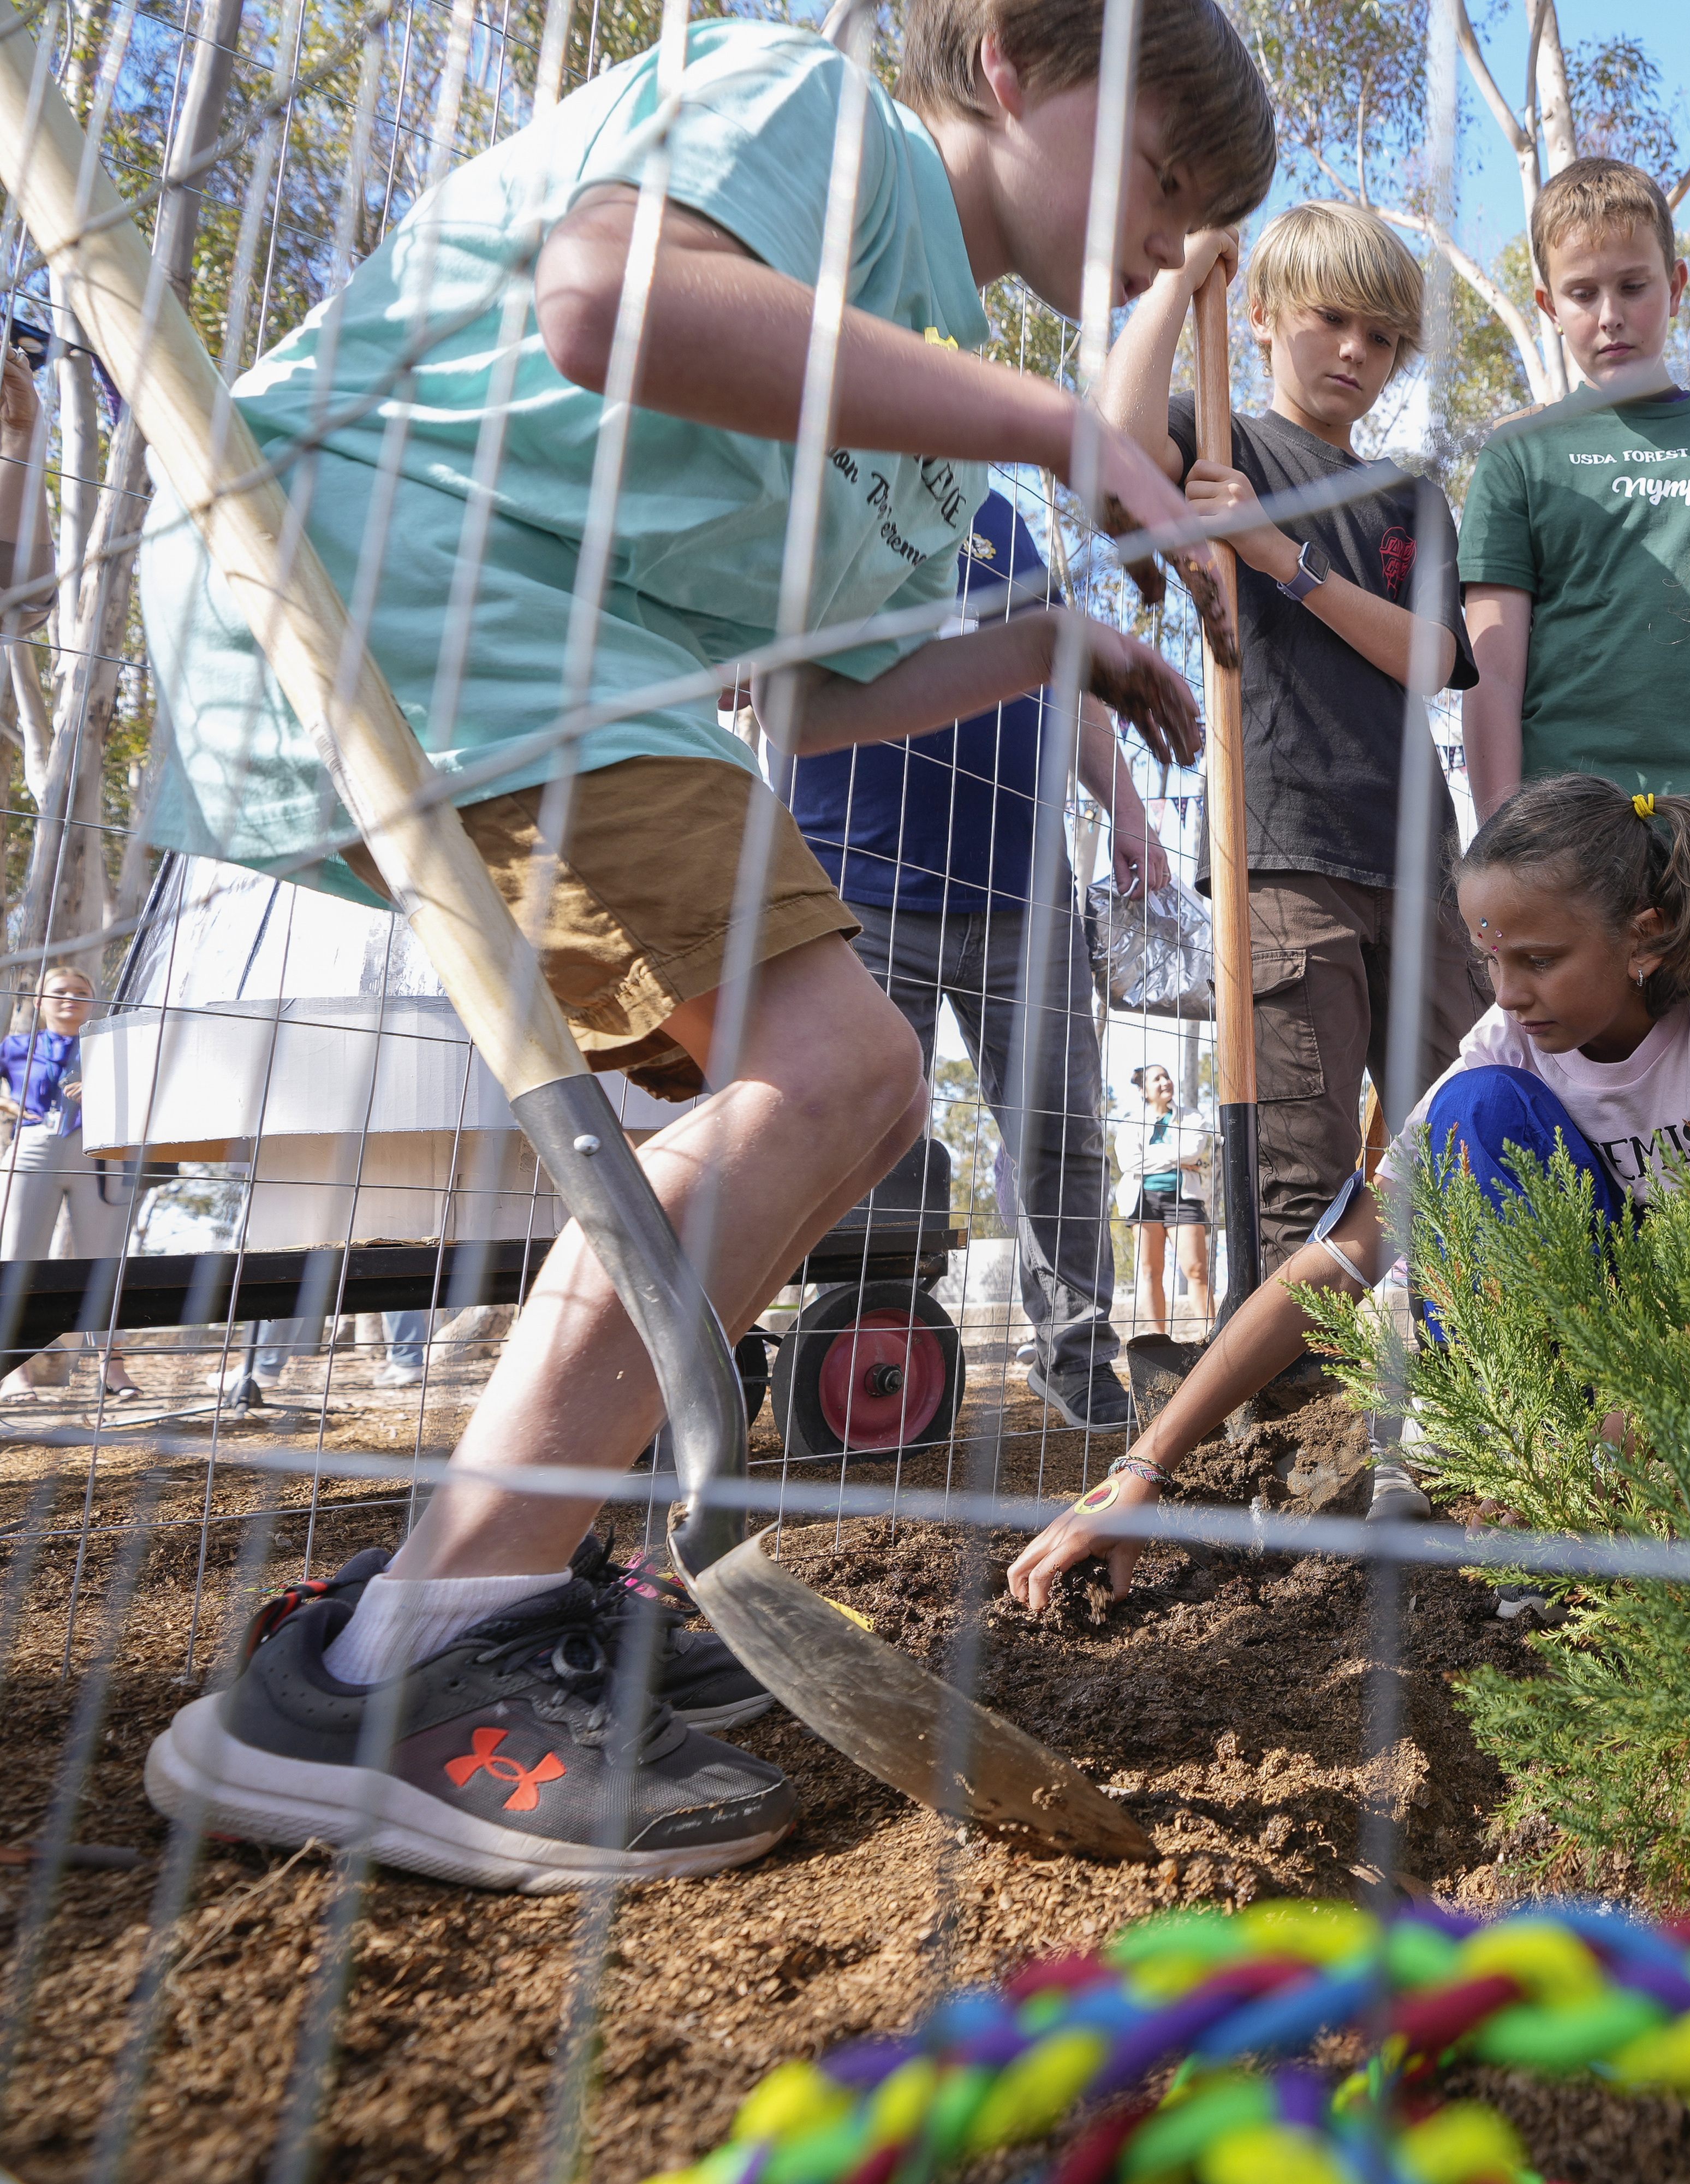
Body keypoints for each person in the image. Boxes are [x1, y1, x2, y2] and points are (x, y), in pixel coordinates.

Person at [139, 0, 1277, 1890]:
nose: (1176, 239)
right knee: (838, 1068)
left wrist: (1060, 650)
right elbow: (606, 307)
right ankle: (407, 1656)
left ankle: (494, 1569)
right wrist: (1055, 428)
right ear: (1008, 52)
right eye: (1168, 175)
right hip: (423, 586)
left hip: (590, 675)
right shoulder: (814, 117)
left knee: (834, 1092)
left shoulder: (940, 381)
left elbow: (823, 701)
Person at [1005, 774, 1690, 1604]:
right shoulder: (1513, 1036)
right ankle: (1522, 1456)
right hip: (1599, 1350)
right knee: (1474, 1112)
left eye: (1540, 959)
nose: (1509, 995)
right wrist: (1143, 1470)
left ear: (1645, 937)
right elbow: (1342, 1254)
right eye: (1492, 963)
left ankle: (1603, 1485)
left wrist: (1638, 1435)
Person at [1099, 202, 1480, 1262]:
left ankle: (1484, 1388)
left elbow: (1435, 659)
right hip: (1281, 863)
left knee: (1468, 1130)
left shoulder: (1411, 497)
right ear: (1261, 317)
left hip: (1425, 867)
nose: (1359, 351)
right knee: (1297, 1164)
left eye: (1385, 335)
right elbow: (1114, 449)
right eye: (1332, 320)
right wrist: (1179, 281)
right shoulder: (1223, 439)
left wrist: (1281, 557)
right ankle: (1296, 1415)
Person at [787, 486, 1165, 1435]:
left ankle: (1077, 1359)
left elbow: (1069, 681)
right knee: (854, 1137)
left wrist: (1126, 809)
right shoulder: (813, 493)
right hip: (854, 884)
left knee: (1063, 1137)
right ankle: (860, 1341)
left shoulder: (1002, 520)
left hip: (1025, 902)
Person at [1457, 158, 1690, 965]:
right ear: (1546, 305)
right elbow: (1491, 672)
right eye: (1582, 293)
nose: (1611, 316)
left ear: (1677, 283)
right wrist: (1499, 844)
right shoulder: (1518, 457)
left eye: (1634, 286)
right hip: (1571, 848)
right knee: (1589, 1090)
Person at [0, 968, 140, 1398]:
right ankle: (13, 1371)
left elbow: (146, 1090)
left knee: (103, 1262)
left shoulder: (114, 1047)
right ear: (39, 1002)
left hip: (97, 1149)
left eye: (81, 992)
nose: (71, 998)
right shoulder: (16, 1046)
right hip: (34, 1145)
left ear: (94, 1001)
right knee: (17, 1259)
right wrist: (8, 1103)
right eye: (59, 992)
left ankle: (111, 1369)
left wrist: (102, 1092)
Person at [1114, 1061, 1212, 1337]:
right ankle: (1159, 1341)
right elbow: (1128, 1161)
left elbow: (1193, 1151)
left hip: (1184, 1200)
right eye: (1157, 1079)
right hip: (1143, 1200)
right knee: (1150, 1272)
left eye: (1167, 1076)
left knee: (1196, 1269)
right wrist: (1178, 1159)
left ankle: (1210, 1337)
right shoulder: (1131, 1123)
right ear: (1144, 1090)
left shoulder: (1193, 1118)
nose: (1165, 1082)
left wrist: (1157, 1156)